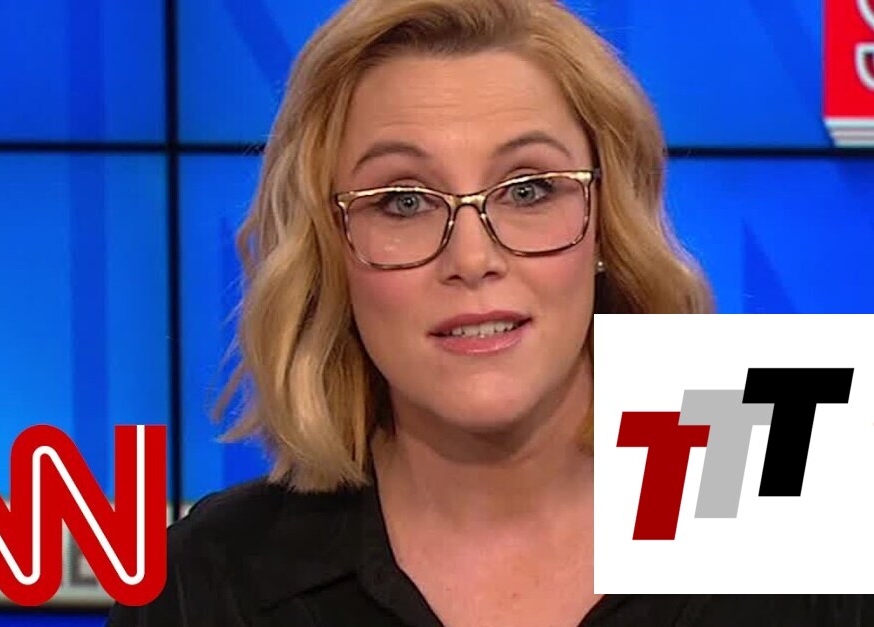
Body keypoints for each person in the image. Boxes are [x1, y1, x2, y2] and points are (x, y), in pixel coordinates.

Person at [109, 0, 869, 624]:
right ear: (331, 252)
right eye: (403, 201)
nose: (472, 258)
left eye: (529, 189)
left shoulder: (815, 514)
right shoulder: (206, 585)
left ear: (606, 227)